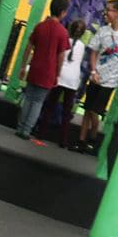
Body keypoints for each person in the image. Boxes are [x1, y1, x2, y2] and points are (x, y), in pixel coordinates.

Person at [73, 0, 118, 154]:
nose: (106, 12)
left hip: (111, 80)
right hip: (96, 76)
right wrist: (93, 71)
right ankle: (81, 140)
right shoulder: (102, 31)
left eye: (110, 10)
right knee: (87, 109)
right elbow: (93, 51)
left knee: (95, 111)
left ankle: (92, 138)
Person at [15, 0, 71, 140]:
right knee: (38, 102)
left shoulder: (40, 26)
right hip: (49, 72)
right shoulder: (63, 32)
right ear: (63, 12)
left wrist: (22, 66)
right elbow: (61, 56)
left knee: (28, 98)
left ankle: (20, 127)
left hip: (35, 67)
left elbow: (28, 47)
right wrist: (57, 75)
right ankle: (27, 130)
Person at [35, 18, 87, 148]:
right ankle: (63, 141)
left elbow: (59, 58)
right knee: (66, 111)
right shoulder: (82, 46)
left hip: (61, 76)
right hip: (73, 79)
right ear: (82, 33)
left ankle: (41, 133)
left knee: (49, 106)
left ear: (70, 29)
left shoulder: (64, 41)